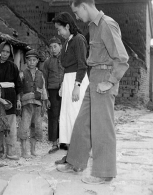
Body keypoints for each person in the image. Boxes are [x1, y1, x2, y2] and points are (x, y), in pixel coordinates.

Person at [56, 0, 129, 185]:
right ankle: (76, 163)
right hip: (95, 76)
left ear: (84, 6)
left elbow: (121, 58)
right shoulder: (93, 27)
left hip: (105, 77)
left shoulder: (107, 24)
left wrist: (110, 82)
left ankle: (104, 173)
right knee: (82, 123)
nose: (77, 17)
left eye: (77, 12)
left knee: (102, 127)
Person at [52, 12, 89, 151]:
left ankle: (80, 151)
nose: (58, 32)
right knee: (66, 114)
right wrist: (63, 84)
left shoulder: (79, 39)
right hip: (68, 80)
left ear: (67, 26)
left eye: (59, 29)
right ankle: (71, 151)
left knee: (76, 114)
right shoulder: (67, 42)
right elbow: (66, 66)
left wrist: (77, 85)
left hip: (77, 80)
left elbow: (82, 65)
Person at [18, 49, 48, 158]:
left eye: (34, 60)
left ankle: (33, 150)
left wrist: (44, 101)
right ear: (26, 61)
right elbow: (19, 88)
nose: (31, 62)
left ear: (37, 61)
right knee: (25, 126)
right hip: (26, 104)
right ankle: (24, 151)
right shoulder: (22, 74)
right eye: (29, 60)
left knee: (35, 127)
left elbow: (43, 88)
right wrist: (18, 100)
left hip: (38, 104)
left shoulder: (40, 74)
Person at [42, 37, 64, 154]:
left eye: (55, 46)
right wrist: (47, 98)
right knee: (53, 117)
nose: (53, 49)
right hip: (52, 92)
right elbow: (44, 79)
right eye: (50, 47)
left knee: (66, 116)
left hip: (65, 91)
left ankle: (65, 142)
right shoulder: (47, 62)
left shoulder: (67, 59)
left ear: (60, 46)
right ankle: (54, 143)